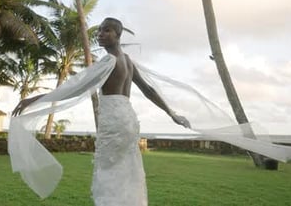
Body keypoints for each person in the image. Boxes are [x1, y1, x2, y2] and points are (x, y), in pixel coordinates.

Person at [12, 17, 190, 206]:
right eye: (99, 31)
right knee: (127, 172)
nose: (100, 35)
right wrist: (171, 113)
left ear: (118, 34)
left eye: (106, 31)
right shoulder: (128, 61)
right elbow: (148, 90)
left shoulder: (109, 61)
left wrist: (34, 99)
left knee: (108, 174)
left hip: (114, 122)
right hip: (129, 121)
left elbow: (76, 88)